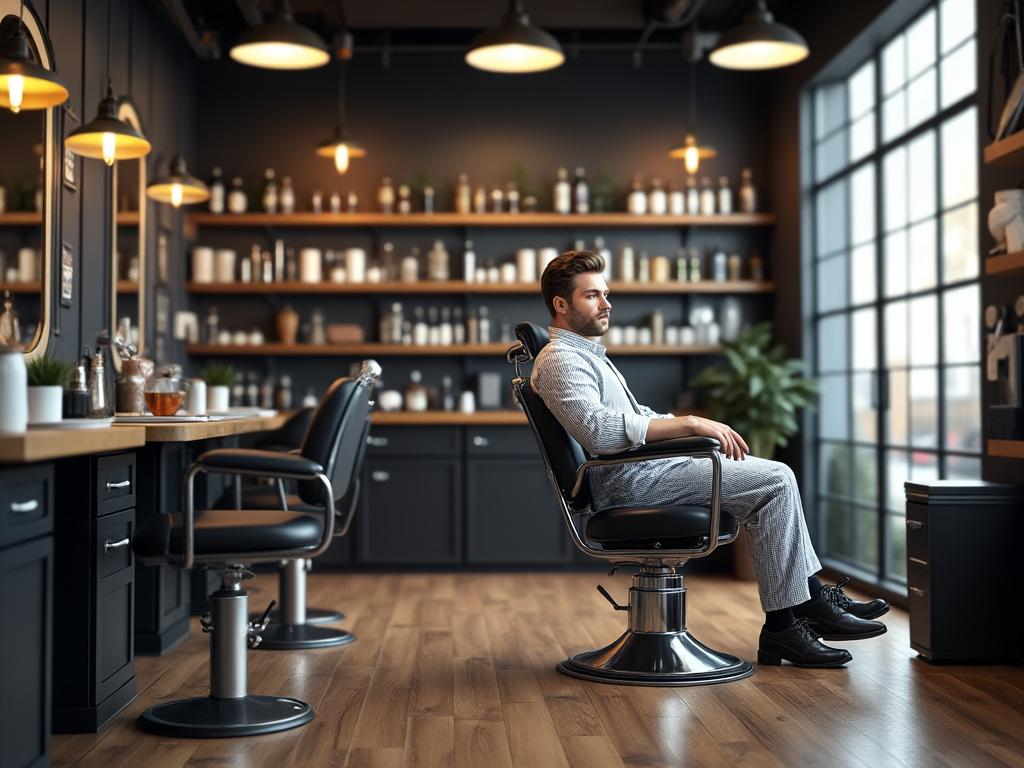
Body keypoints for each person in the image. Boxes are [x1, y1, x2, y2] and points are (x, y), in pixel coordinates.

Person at [531, 250, 888, 668]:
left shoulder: (586, 355)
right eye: (592, 296)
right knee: (775, 480)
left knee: (773, 480)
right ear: (561, 303)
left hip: (642, 470)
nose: (607, 304)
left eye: (606, 294)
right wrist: (691, 423)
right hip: (627, 482)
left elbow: (635, 418)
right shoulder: (560, 361)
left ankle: (796, 616)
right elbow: (600, 432)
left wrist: (685, 424)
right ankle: (796, 618)